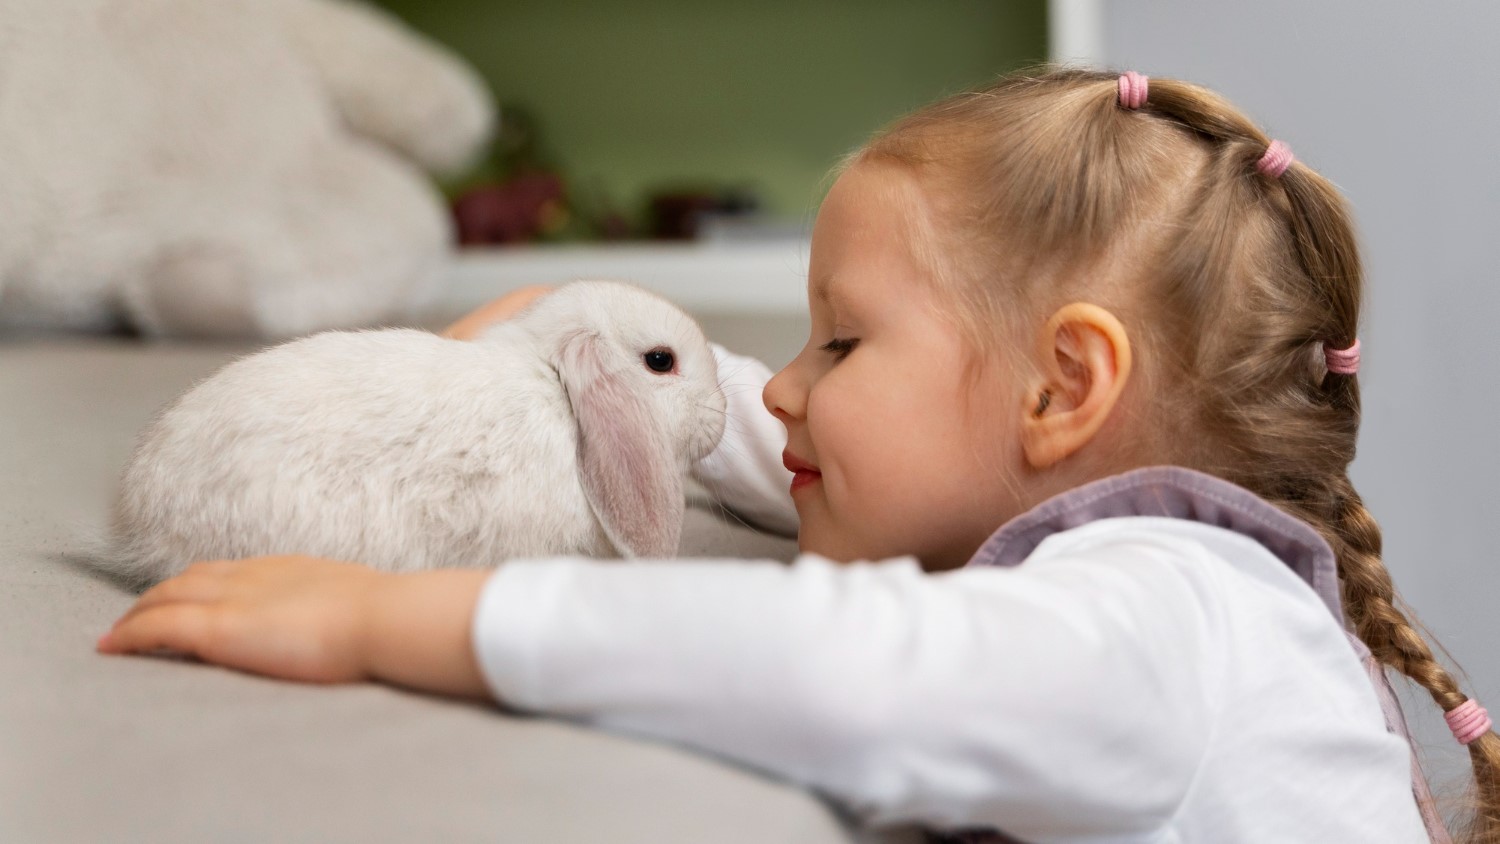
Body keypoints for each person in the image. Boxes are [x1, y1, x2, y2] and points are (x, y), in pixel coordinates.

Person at [95, 67, 1496, 843]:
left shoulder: (1168, 615)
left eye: (842, 342)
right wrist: (566, 355)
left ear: (1065, 387)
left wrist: (396, 616)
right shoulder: (1091, 532)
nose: (789, 396)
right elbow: (810, 451)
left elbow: (850, 661)